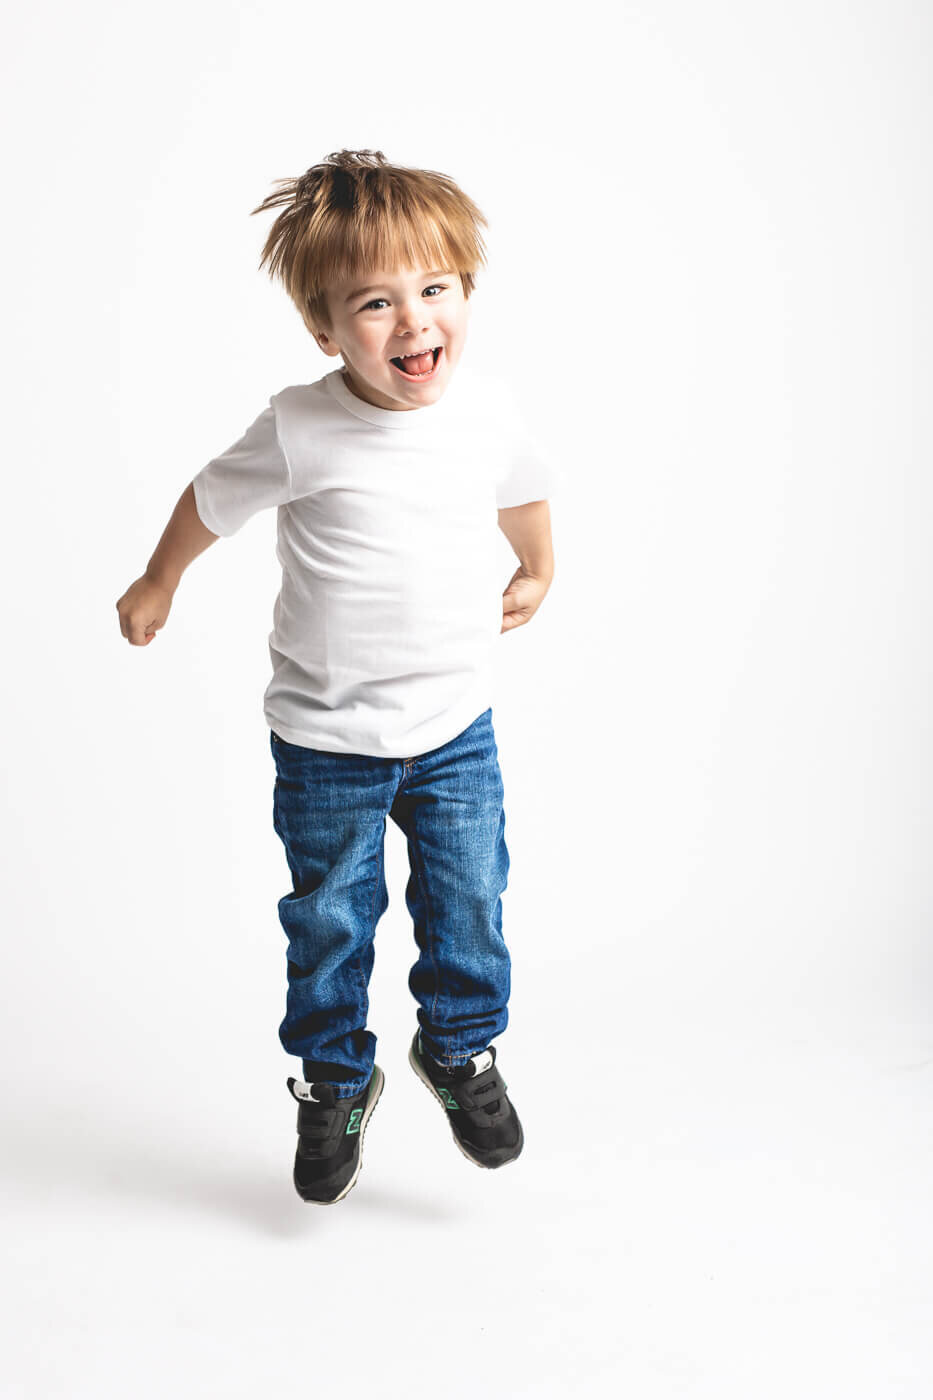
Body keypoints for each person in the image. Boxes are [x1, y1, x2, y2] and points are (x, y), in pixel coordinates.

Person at [115, 149, 559, 1205]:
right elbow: (210, 500)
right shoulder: (300, 424)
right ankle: (333, 1076)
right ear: (323, 329)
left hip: (455, 729)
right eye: (375, 302)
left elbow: (524, 489)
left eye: (434, 290)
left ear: (465, 292)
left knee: (471, 898)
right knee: (329, 919)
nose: (413, 323)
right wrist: (157, 579)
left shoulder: (486, 412)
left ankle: (459, 1049)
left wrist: (539, 566)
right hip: (325, 742)